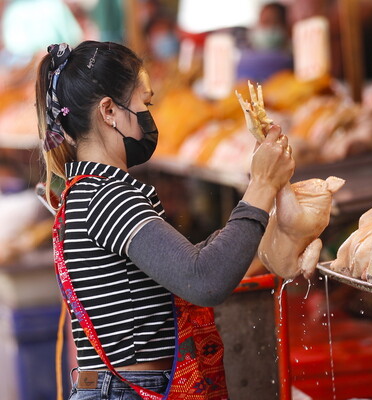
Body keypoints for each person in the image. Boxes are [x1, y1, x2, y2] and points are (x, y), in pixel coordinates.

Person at [35, 40, 294, 399]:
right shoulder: (107, 197)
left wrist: (264, 236)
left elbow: (187, 263)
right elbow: (204, 279)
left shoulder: (87, 193)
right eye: (145, 103)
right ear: (108, 111)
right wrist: (261, 186)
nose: (148, 116)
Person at [236, 2, 293, 82]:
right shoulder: (245, 56)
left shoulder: (288, 60)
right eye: (260, 21)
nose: (262, 27)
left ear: (284, 25)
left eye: (268, 22)